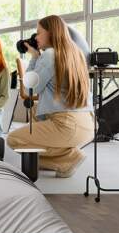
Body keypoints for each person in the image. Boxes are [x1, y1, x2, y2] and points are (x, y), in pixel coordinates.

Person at [7, 15, 94, 178]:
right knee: (33, 131)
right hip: (87, 124)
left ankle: (68, 158)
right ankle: (67, 158)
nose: (36, 38)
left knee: (14, 140)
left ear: (51, 33)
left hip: (66, 124)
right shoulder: (75, 53)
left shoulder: (49, 54)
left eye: (39, 33)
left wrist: (34, 57)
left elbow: (29, 89)